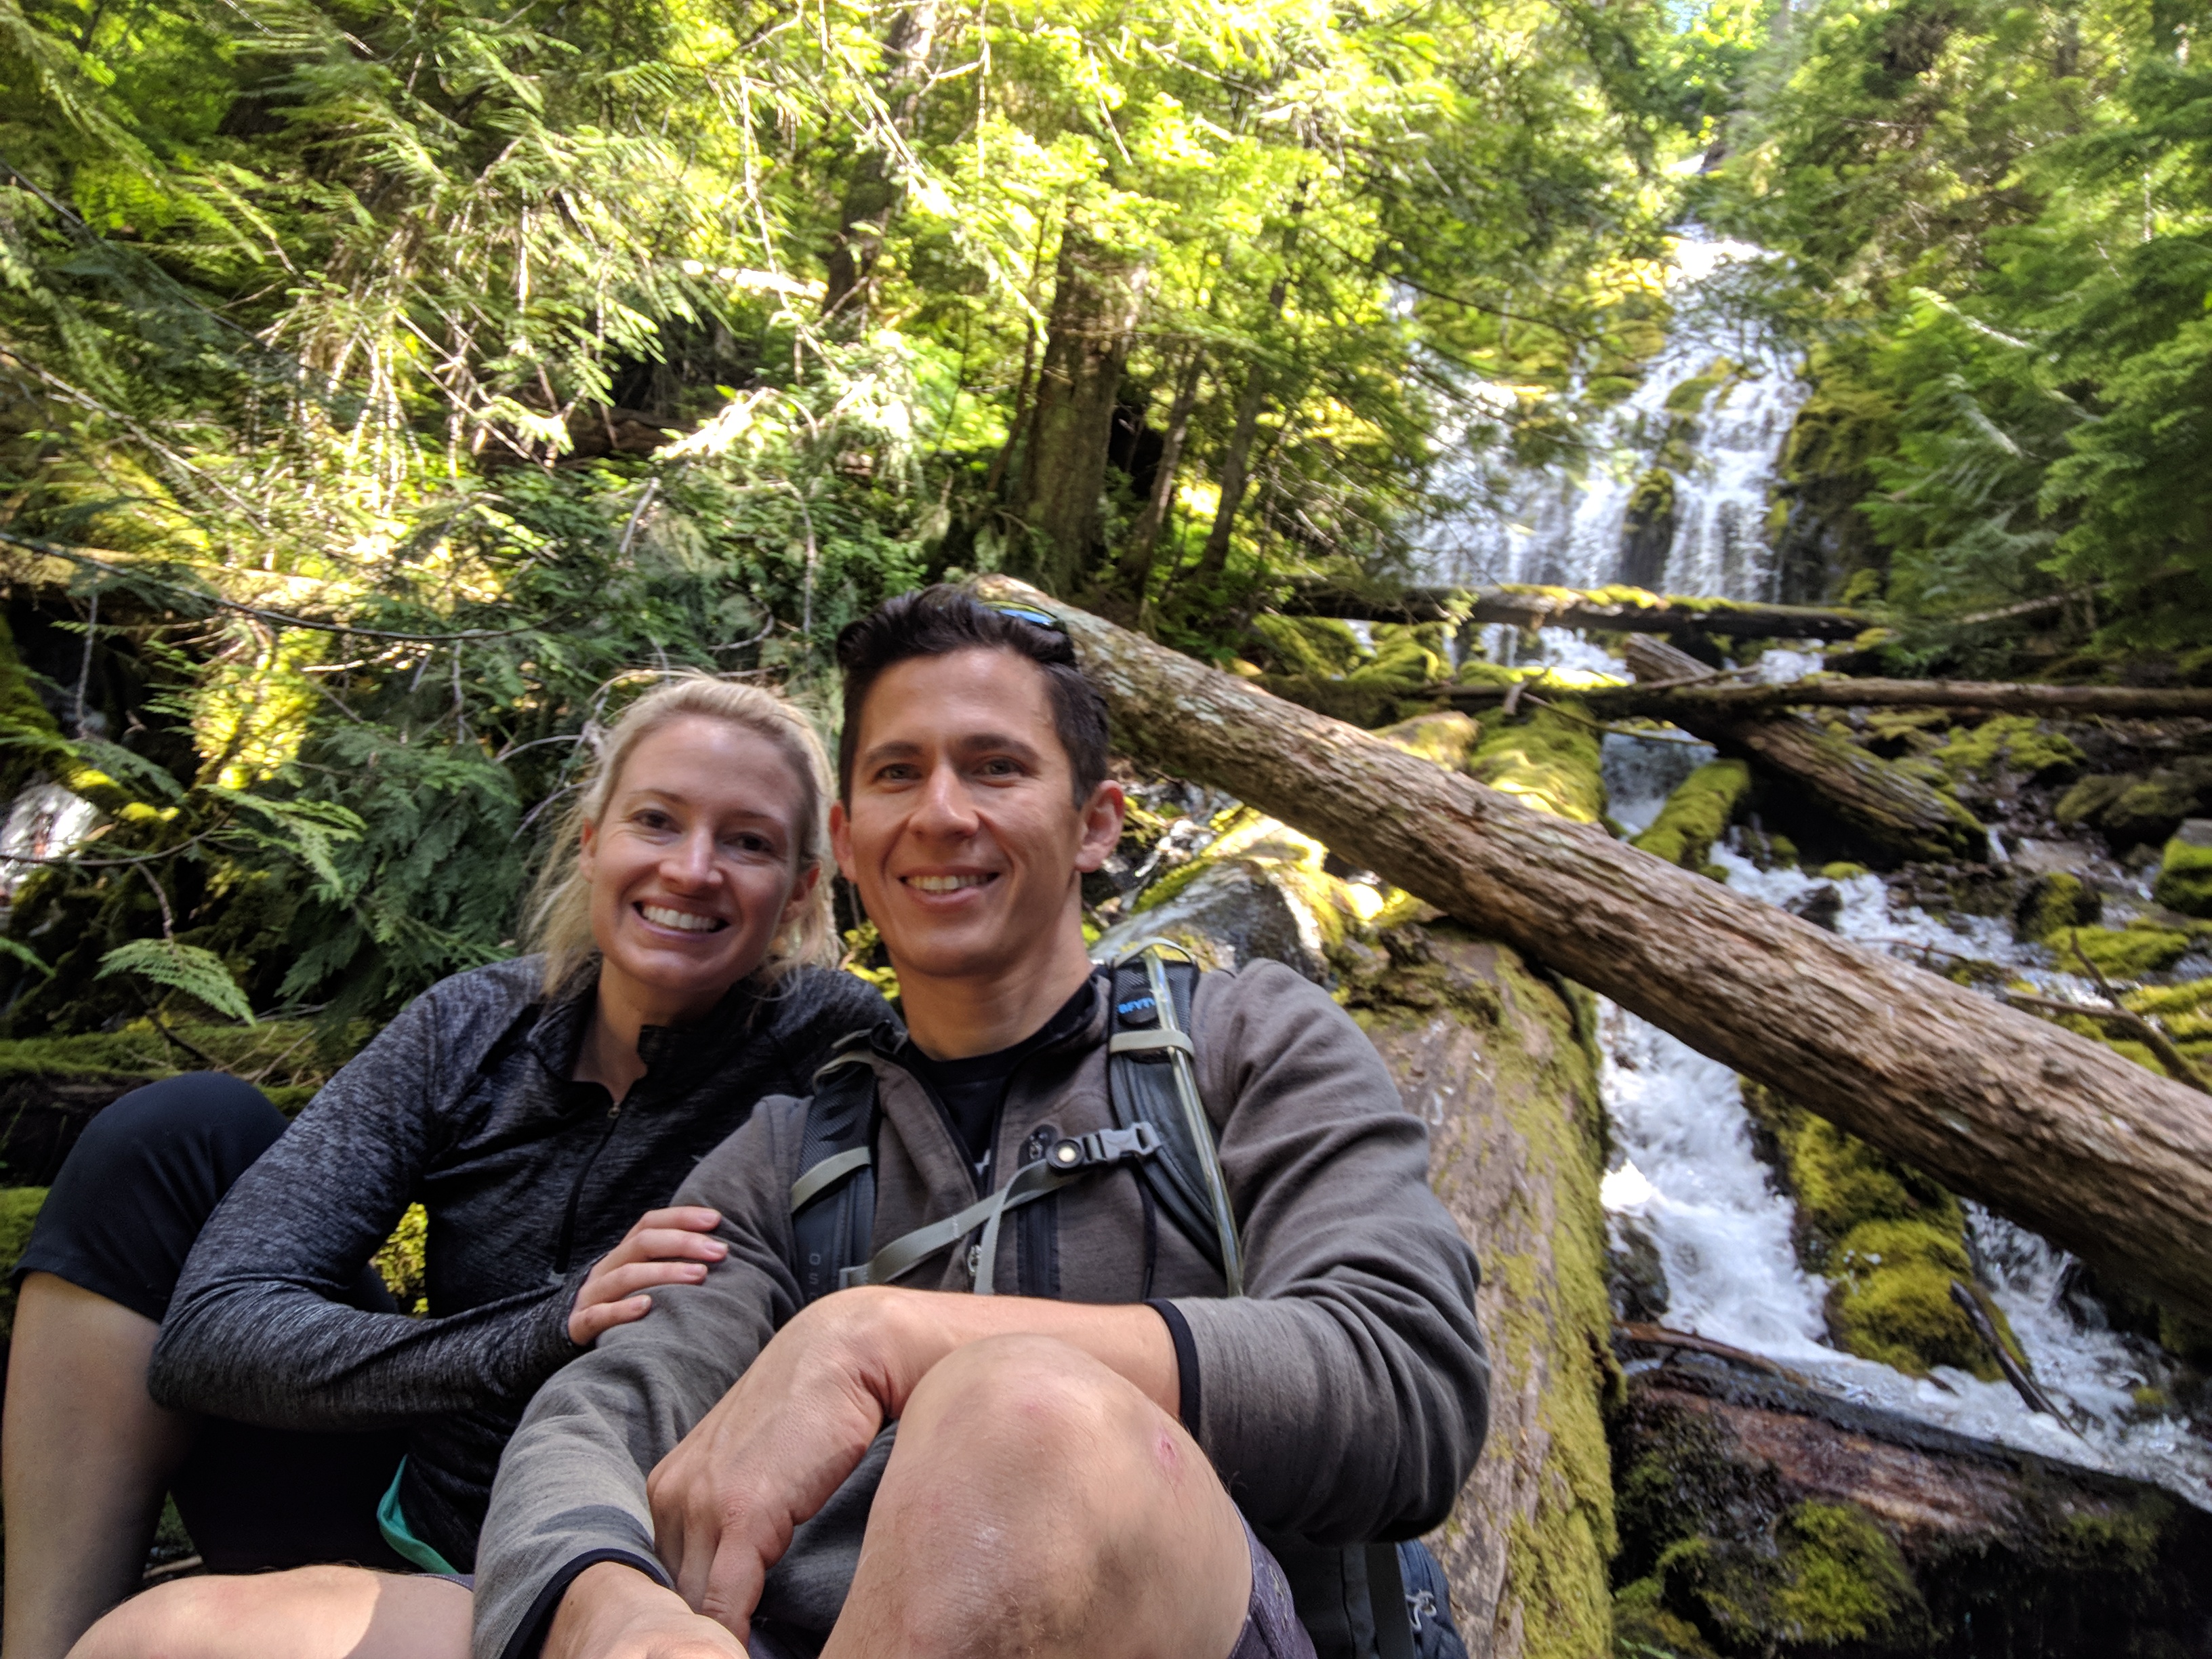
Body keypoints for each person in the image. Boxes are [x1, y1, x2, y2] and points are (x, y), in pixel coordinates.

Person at [468, 587, 1490, 1659]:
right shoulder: (784, 1155)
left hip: (1227, 1622)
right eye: (897, 773)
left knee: (1021, 1411)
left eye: (996, 767)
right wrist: (610, 1608)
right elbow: (600, 1415)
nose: (942, 813)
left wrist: (882, 1337)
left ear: (1097, 823)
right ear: (846, 842)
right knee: (345, 1615)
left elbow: (1406, 1384)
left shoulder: (1249, 1043)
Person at [16, 676, 889, 1659]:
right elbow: (212, 1334)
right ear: (592, 840)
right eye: (656, 820)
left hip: (620, 1584)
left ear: (802, 889)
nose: (692, 869)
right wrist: (538, 1329)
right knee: (180, 1132)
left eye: (749, 842)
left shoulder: (833, 1046)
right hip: (398, 1520)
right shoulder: (473, 1025)